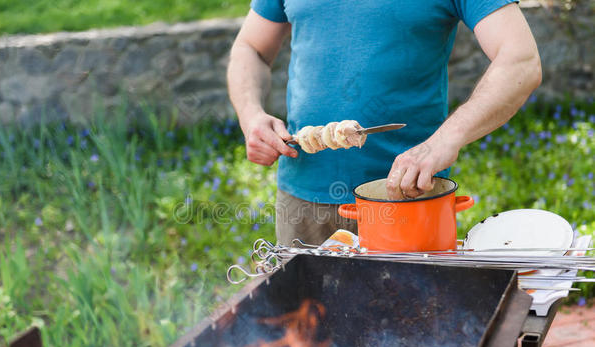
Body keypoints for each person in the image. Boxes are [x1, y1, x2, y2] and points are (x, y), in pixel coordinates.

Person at [227, 0, 541, 245]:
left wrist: (446, 139)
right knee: (302, 325)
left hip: (409, 201)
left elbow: (520, 60)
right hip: (302, 204)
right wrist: (251, 115)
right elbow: (250, 48)